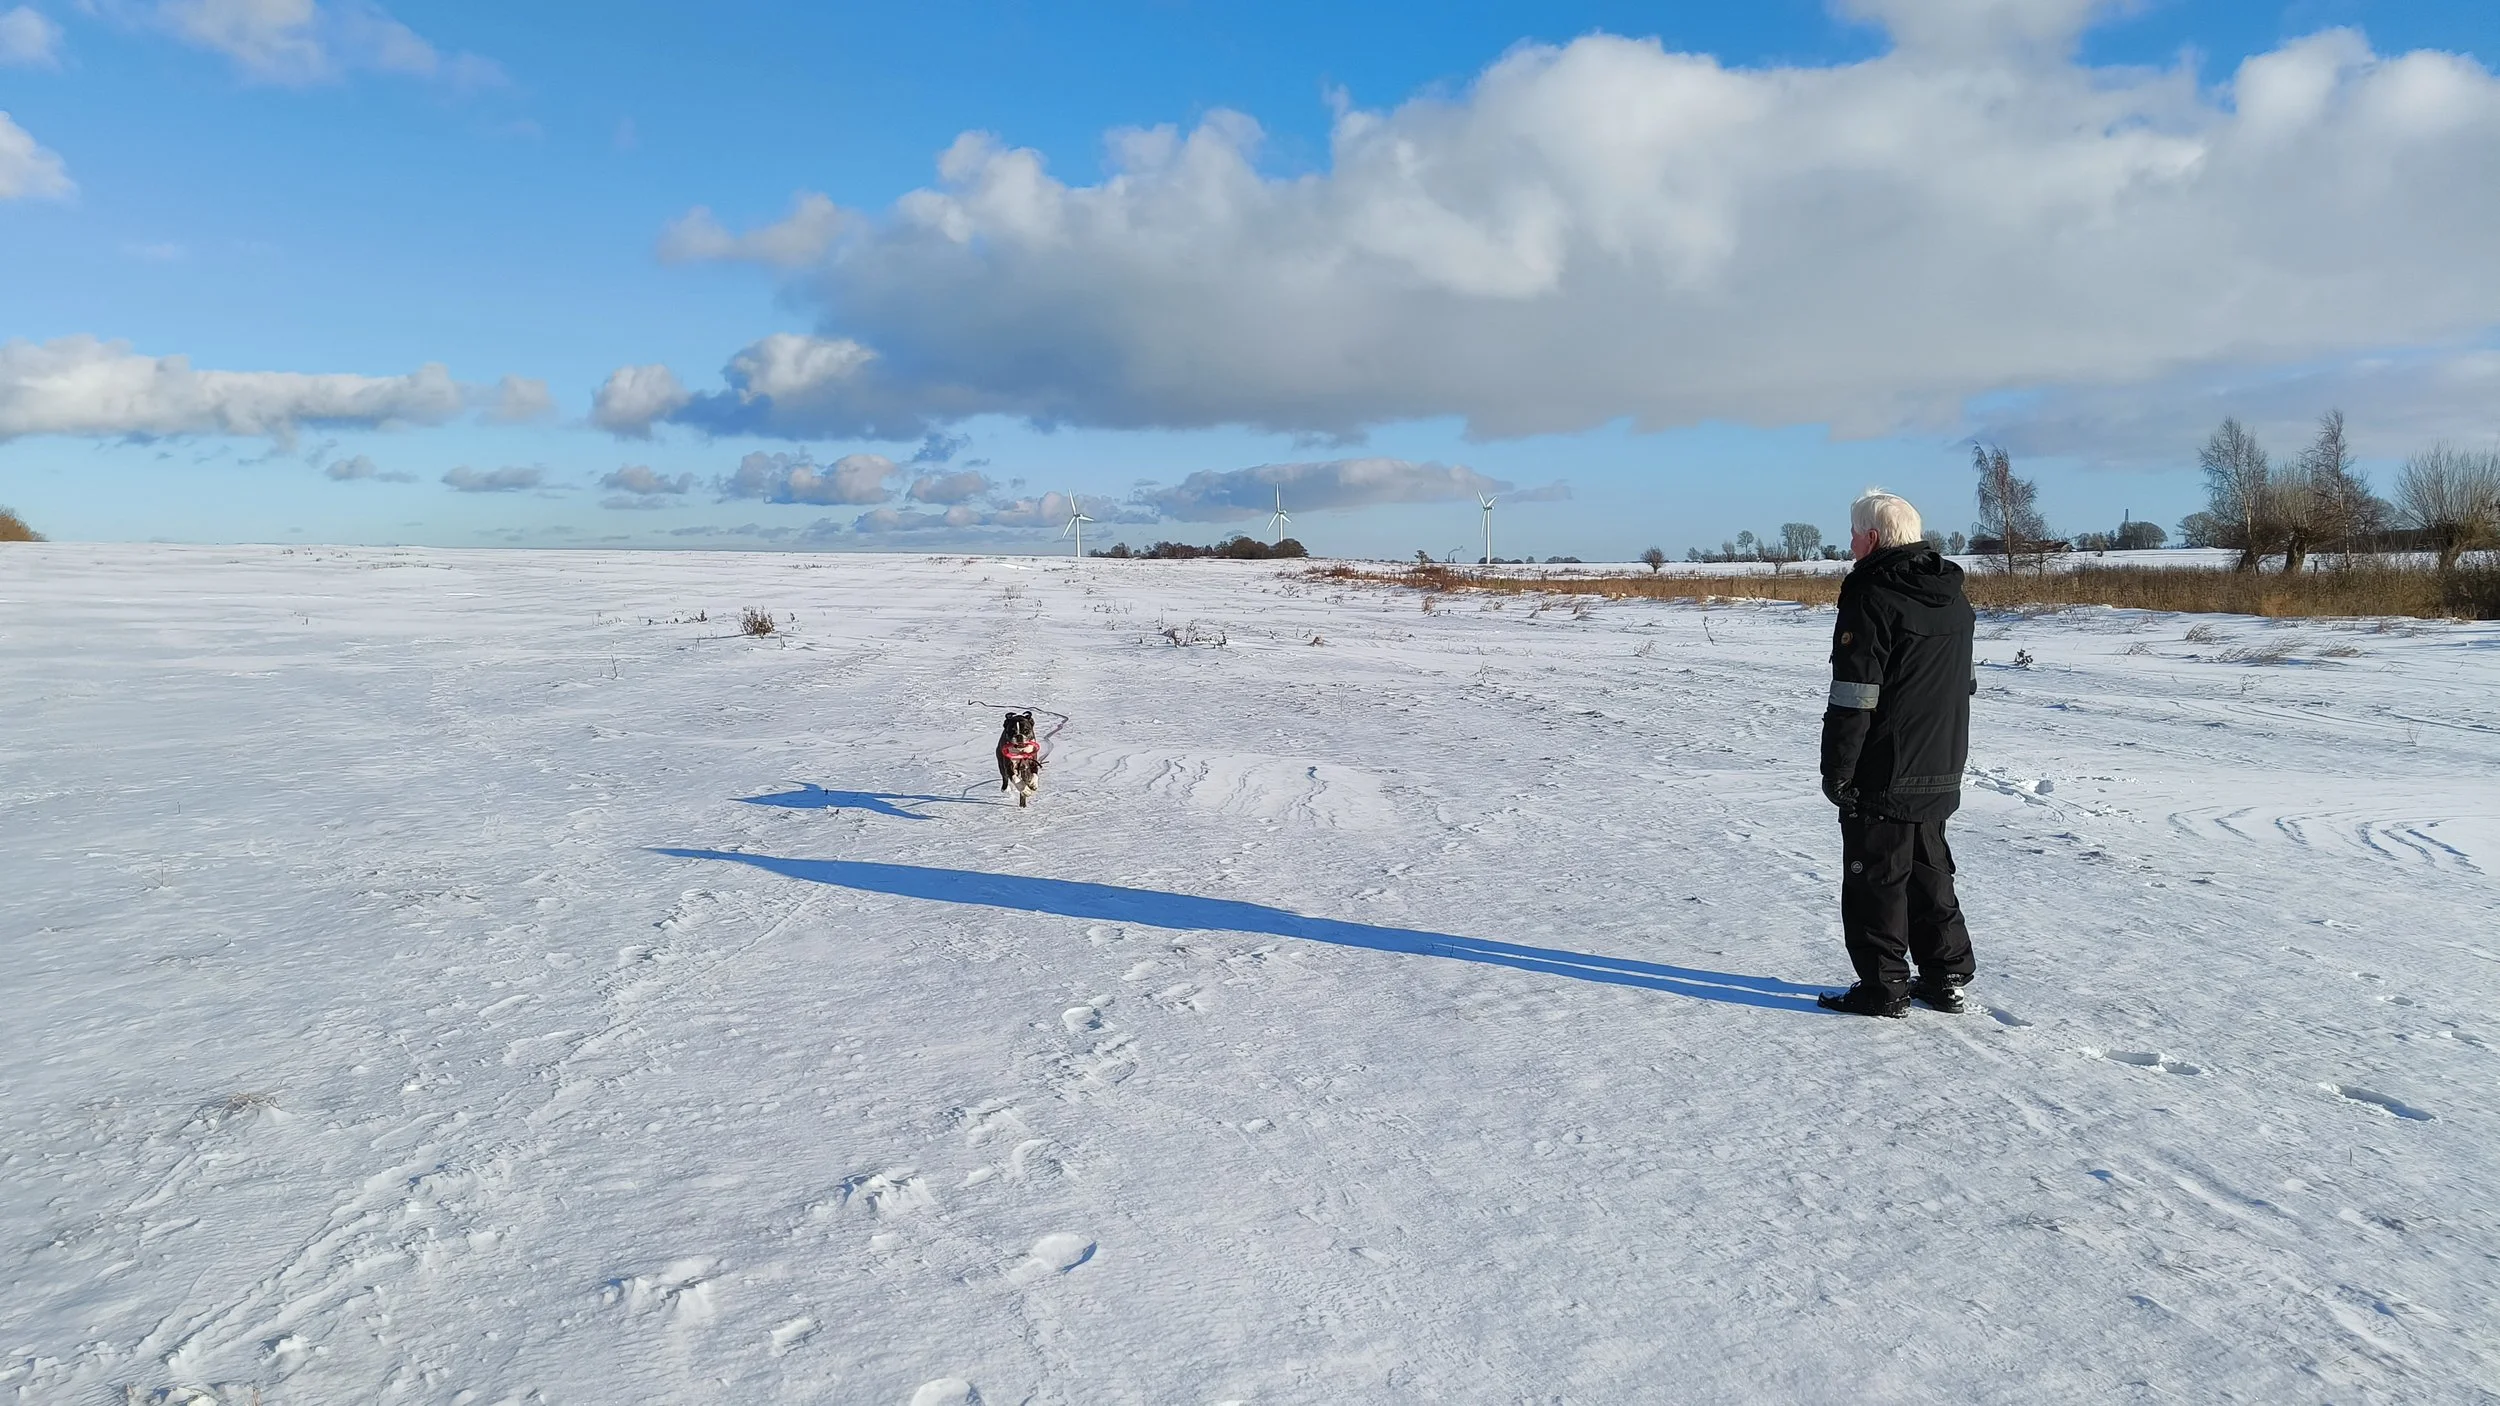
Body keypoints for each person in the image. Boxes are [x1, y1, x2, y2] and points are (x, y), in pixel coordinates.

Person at [1816, 490, 1978, 1018]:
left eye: (1853, 534)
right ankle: (1945, 975)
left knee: (1877, 877)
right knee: (1930, 869)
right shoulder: (1953, 596)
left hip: (1884, 765)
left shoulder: (1871, 594)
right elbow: (1962, 683)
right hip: (1941, 760)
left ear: (1872, 537)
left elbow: (1855, 695)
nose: (1850, 545)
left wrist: (1838, 768)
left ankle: (1883, 987)